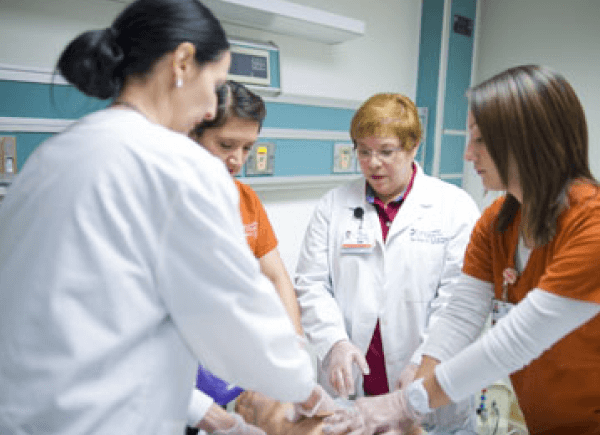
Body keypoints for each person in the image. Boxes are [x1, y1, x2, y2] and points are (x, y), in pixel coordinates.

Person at [0, 1, 334, 434]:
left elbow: (89, 322)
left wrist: (196, 408)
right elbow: (233, 315)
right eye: (215, 85)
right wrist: (302, 385)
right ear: (182, 61)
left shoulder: (52, 157)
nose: (213, 109)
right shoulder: (179, 167)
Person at [322, 65, 600, 435]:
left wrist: (402, 403)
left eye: (481, 140)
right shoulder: (498, 222)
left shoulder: (591, 225)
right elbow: (460, 317)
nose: (468, 154)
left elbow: (518, 339)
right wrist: (409, 414)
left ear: (529, 140)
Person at [295, 93, 481, 434]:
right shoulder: (332, 206)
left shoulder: (454, 208)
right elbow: (311, 284)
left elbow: (458, 300)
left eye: (385, 151)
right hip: (353, 389)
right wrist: (334, 342)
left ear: (413, 148)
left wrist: (424, 362)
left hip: (431, 392)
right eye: (363, 152)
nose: (372, 163)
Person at [185, 80, 304, 433]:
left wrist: (292, 351)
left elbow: (277, 276)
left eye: (247, 148)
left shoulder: (246, 201)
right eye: (225, 145)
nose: (237, 159)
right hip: (168, 381)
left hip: (221, 376)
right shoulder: (168, 200)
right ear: (193, 133)